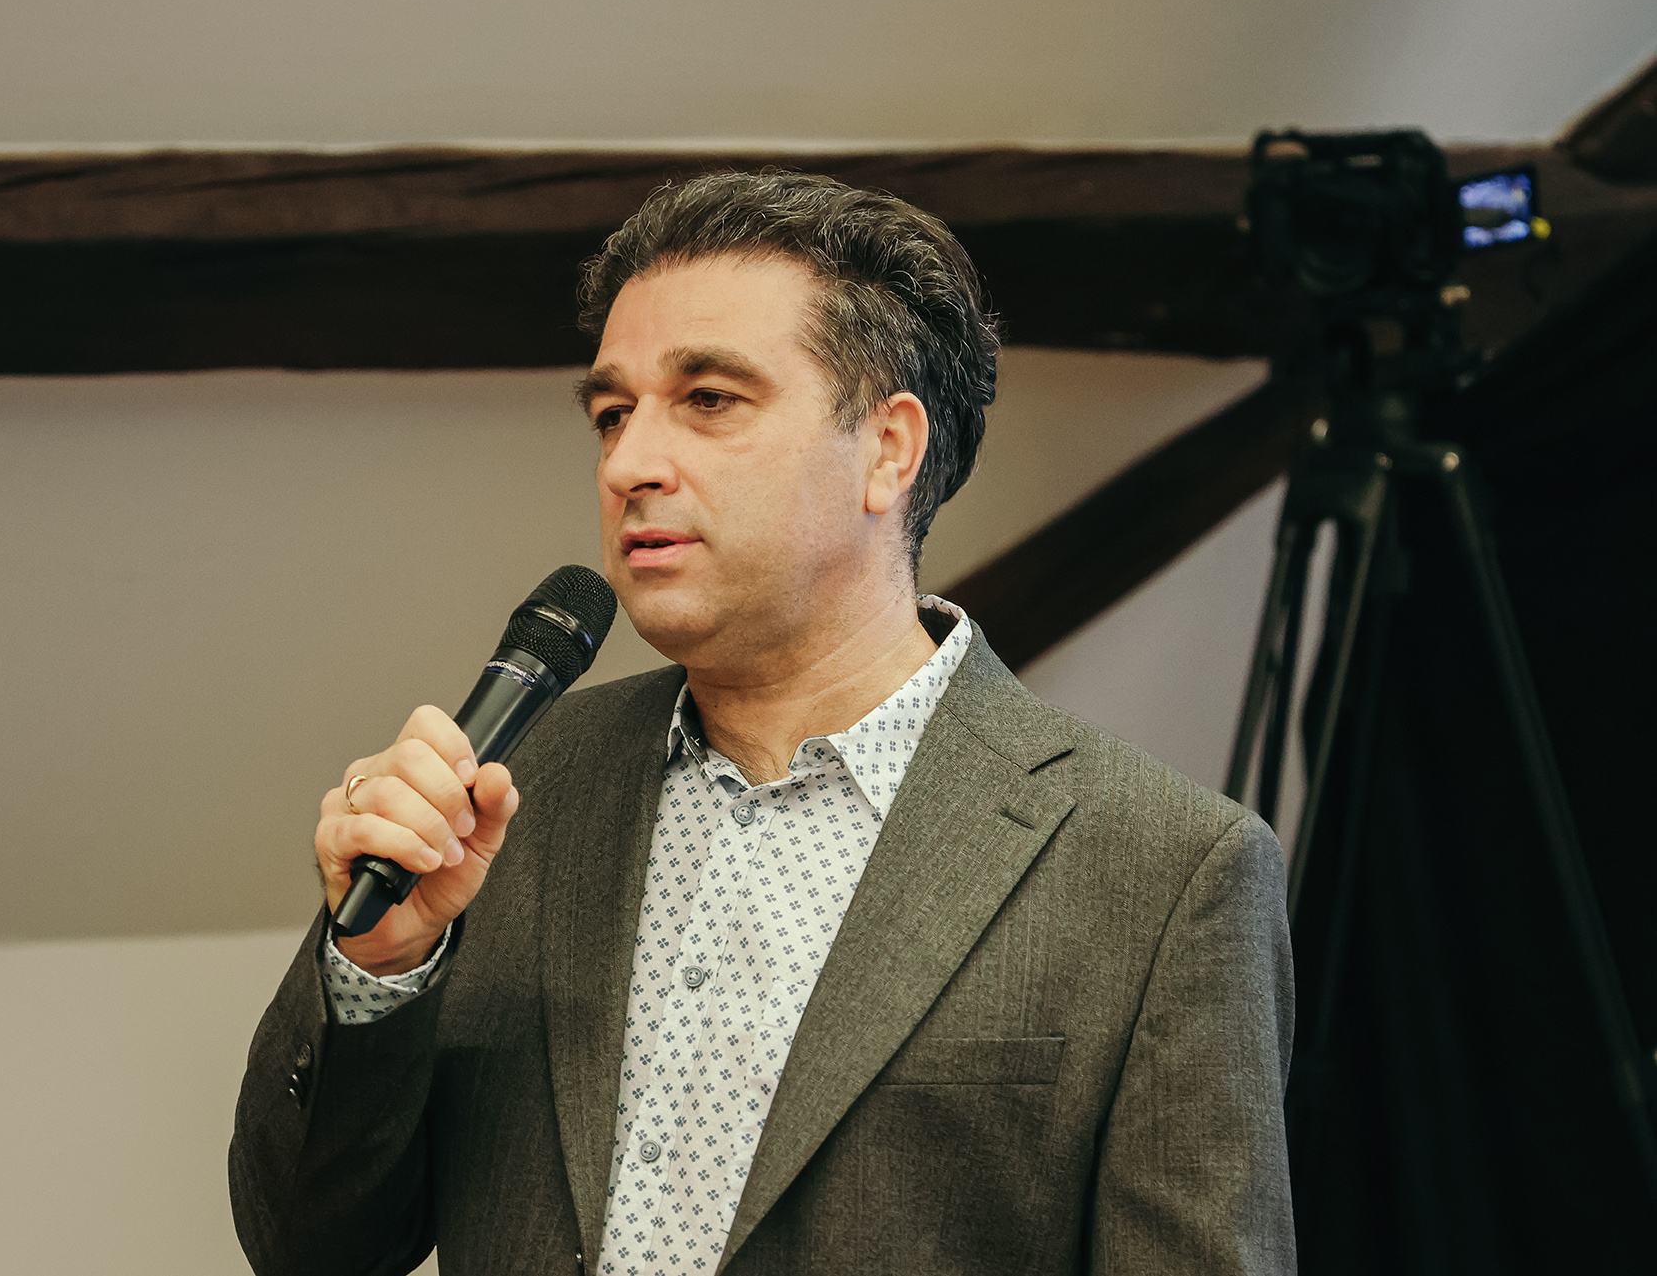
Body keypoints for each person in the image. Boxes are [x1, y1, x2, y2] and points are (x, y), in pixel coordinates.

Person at [230, 170, 1296, 1276]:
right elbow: (312, 1248)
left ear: (888, 449)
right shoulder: (507, 791)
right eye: (611, 414)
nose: (628, 463)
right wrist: (381, 960)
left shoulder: (1163, 869)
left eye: (708, 399)